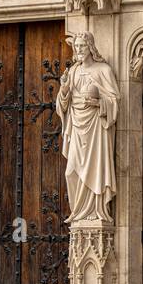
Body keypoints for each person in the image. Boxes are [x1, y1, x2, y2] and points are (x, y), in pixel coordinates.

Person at [56, 33, 119, 223]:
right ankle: (78, 212)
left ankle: (95, 211)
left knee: (95, 169)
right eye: (76, 46)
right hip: (77, 125)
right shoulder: (73, 71)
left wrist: (99, 102)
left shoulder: (103, 70)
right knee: (70, 172)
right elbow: (62, 104)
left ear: (91, 46)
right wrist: (64, 88)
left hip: (96, 129)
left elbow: (115, 101)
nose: (79, 50)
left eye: (82, 46)